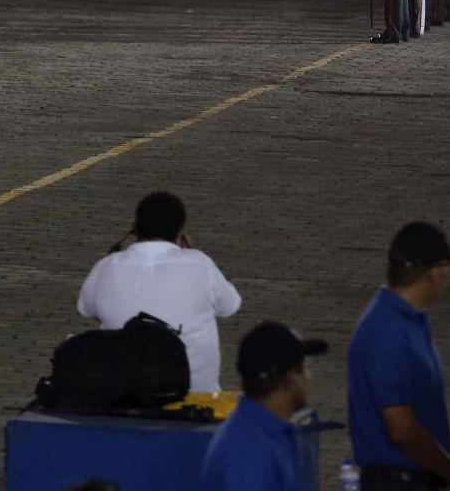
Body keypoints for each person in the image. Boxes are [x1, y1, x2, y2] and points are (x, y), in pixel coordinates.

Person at [347, 222, 450, 491]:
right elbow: (402, 429)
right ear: (435, 273)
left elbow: (425, 408)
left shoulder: (410, 321)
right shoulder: (387, 332)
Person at [76, 191, 242, 394]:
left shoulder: (107, 266)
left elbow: (86, 309)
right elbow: (230, 306)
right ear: (182, 231)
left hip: (124, 399)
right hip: (196, 400)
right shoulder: (200, 264)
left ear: (135, 230)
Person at [199, 323, 328, 491]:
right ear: (292, 381)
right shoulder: (249, 453)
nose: (309, 378)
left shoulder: (266, 432)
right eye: (305, 369)